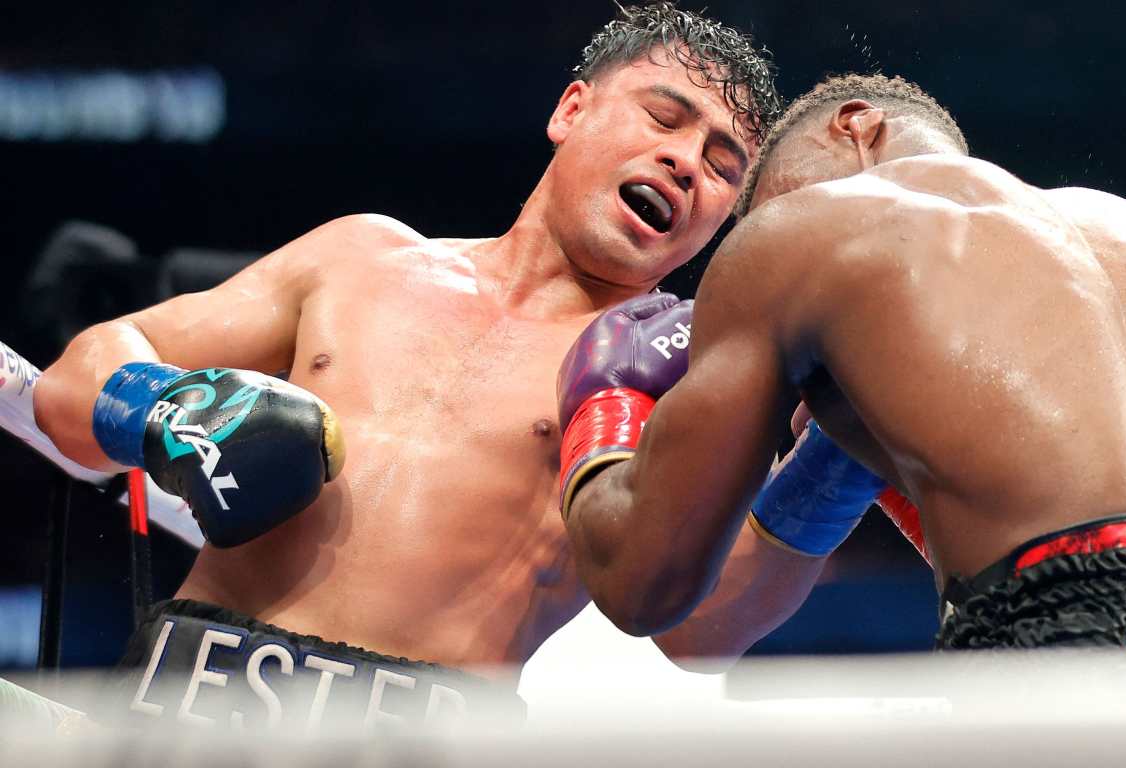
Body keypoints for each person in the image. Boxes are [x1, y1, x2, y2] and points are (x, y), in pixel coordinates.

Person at [31, 2, 781, 728]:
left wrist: (830, 452)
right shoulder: (361, 258)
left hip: (422, 735)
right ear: (571, 111)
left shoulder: (684, 381)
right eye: (665, 117)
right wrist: (175, 408)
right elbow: (74, 381)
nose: (685, 162)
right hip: (185, 698)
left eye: (722, 165)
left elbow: (705, 634)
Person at [557, 73, 1126, 651]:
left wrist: (606, 397)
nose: (768, 225)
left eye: (765, 205)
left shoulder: (801, 236)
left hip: (1072, 679)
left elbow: (643, 584)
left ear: (855, 127)